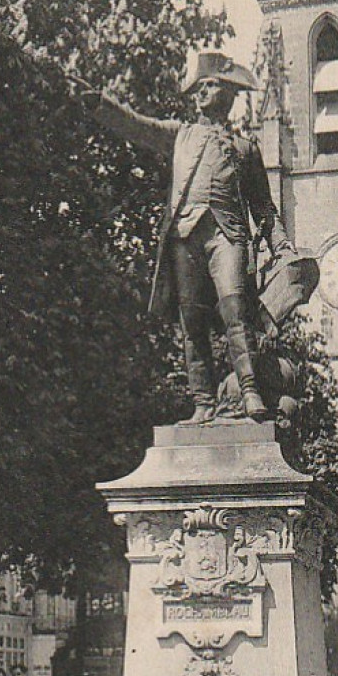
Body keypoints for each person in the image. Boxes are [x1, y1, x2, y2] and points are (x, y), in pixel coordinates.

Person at [84, 52, 297, 424]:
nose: (201, 92)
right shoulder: (180, 135)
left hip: (227, 235)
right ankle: (203, 403)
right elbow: (137, 125)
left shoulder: (246, 149)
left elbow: (264, 208)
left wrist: (282, 246)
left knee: (235, 310)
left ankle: (249, 391)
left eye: (210, 85)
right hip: (185, 236)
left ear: (229, 95)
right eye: (199, 87)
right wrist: (99, 104)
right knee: (192, 322)